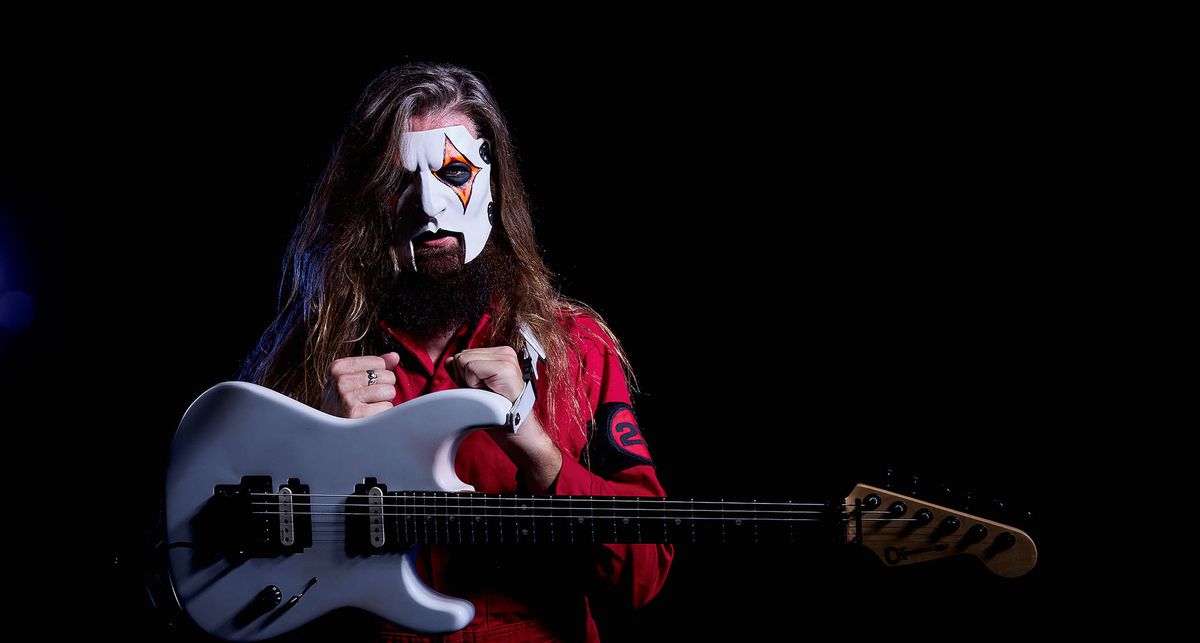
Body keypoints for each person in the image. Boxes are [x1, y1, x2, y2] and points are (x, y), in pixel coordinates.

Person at [240, 62, 672, 642]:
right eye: (398, 183)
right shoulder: (313, 355)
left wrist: (538, 451)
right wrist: (320, 455)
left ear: (493, 183)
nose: (429, 205)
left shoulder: (576, 350)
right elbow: (216, 572)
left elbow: (642, 580)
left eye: (454, 172)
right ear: (368, 199)